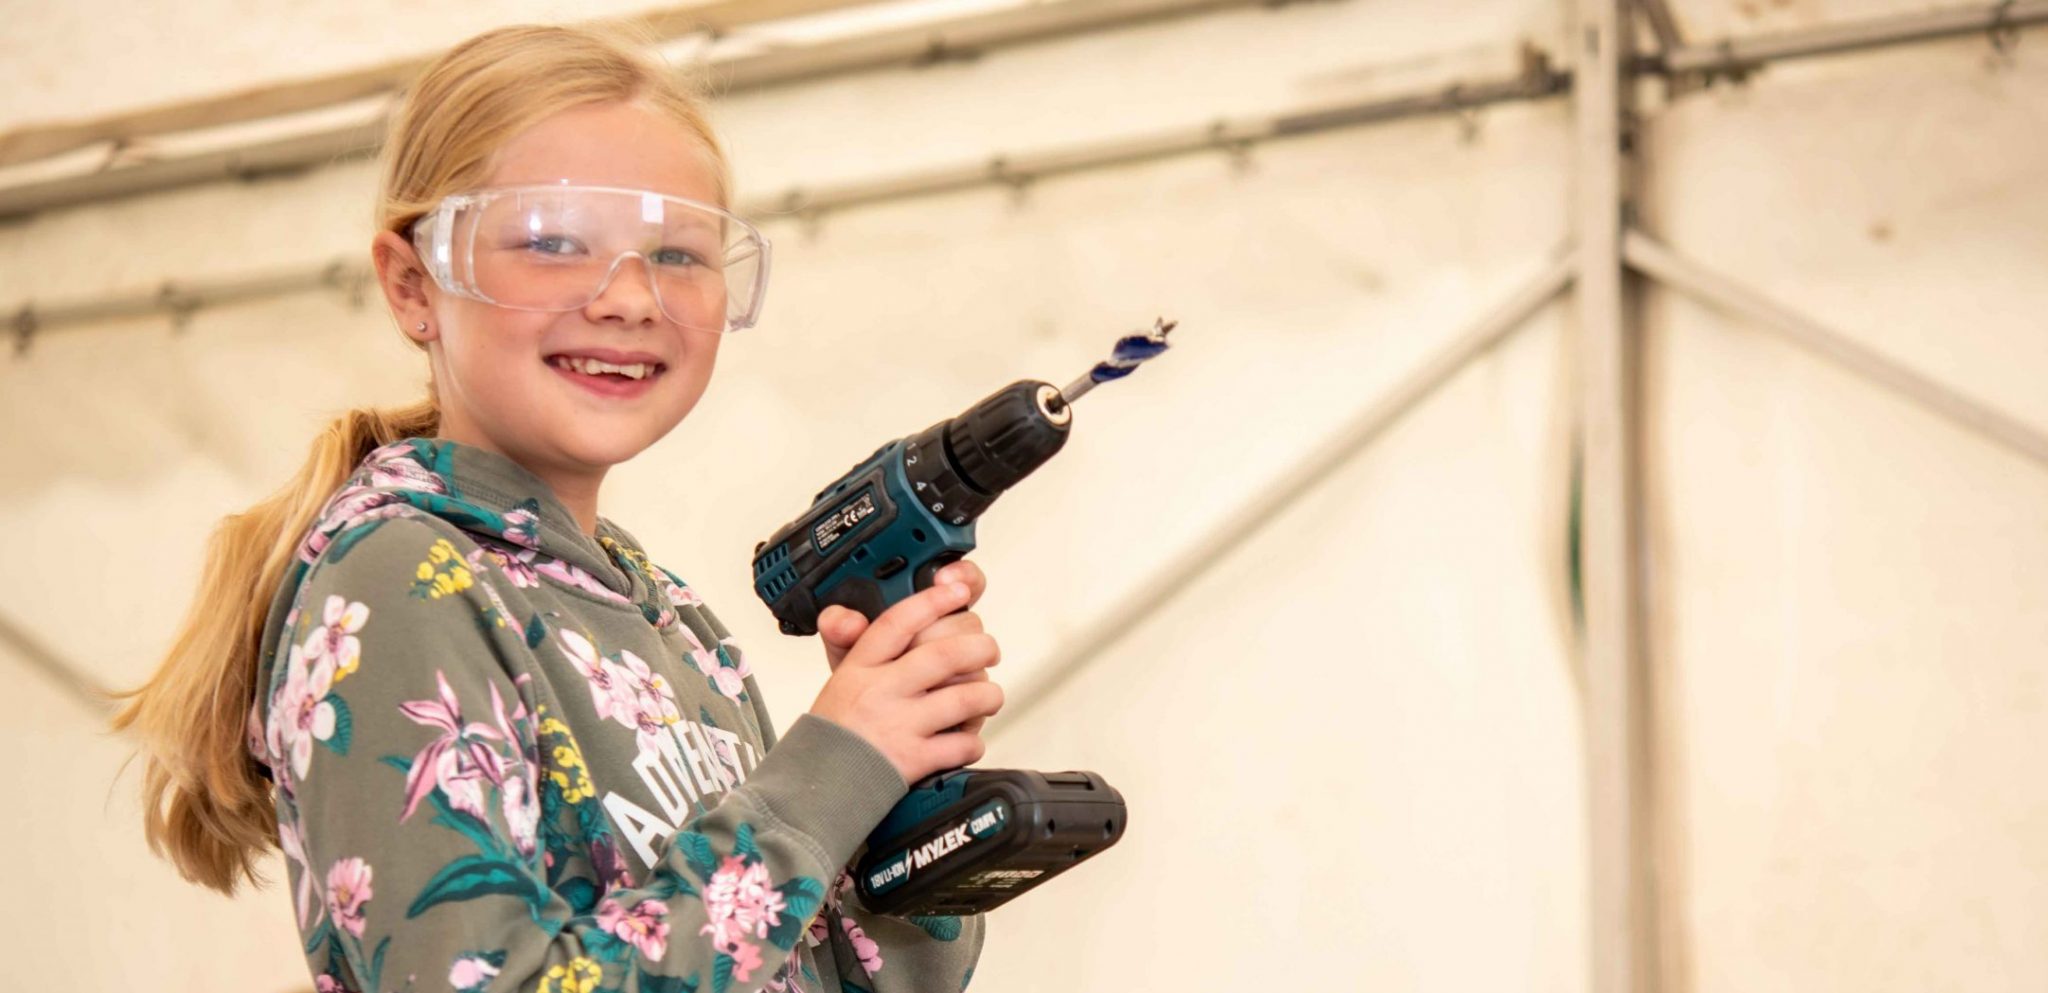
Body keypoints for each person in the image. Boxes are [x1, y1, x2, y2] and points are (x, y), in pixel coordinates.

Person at [113, 23, 1002, 993]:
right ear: (414, 285)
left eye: (676, 255)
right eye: (550, 242)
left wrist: (894, 792)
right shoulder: (398, 581)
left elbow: (852, 976)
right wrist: (821, 779)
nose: (627, 298)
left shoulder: (670, 620)